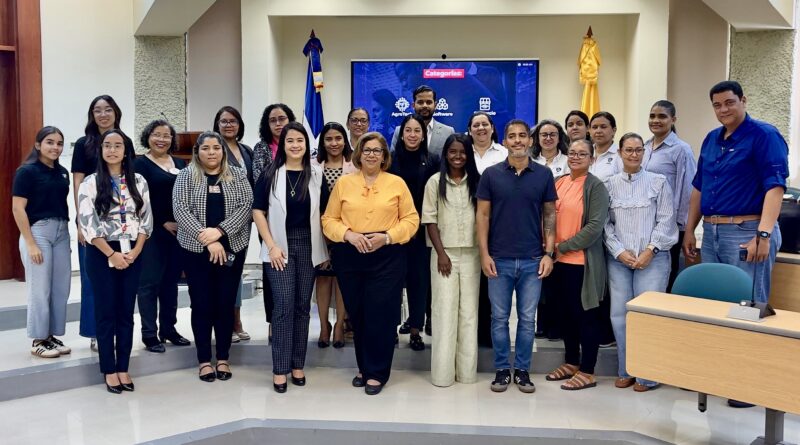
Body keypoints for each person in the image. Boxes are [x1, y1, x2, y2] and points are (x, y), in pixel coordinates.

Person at [683, 81, 788, 408]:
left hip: (748, 230)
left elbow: (775, 187)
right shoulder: (711, 139)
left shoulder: (764, 135)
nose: (723, 109)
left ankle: (749, 384)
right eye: (717, 105)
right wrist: (690, 230)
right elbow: (699, 188)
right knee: (717, 306)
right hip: (713, 231)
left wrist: (764, 234)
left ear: (743, 100)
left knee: (750, 307)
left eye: (729, 102)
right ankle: (722, 375)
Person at [322, 132, 419, 395]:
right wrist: (349, 235)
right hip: (351, 253)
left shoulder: (396, 183)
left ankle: (377, 372)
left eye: (377, 151)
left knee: (381, 314)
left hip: (387, 254)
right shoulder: (344, 183)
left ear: (384, 156)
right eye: (367, 150)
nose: (372, 155)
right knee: (359, 314)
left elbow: (411, 220)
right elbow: (328, 220)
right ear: (359, 154)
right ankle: (364, 367)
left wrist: (386, 237)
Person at [476, 119, 556, 394]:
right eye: (512, 136)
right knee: (498, 318)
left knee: (527, 319)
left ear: (530, 141)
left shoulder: (543, 174)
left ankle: (522, 370)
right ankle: (501, 369)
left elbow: (550, 214)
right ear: (505, 141)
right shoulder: (491, 175)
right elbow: (482, 216)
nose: (518, 140)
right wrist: (484, 254)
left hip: (533, 259)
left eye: (523, 135)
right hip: (499, 259)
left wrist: (549, 253)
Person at [253, 122, 329, 393]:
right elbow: (258, 211)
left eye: (300, 140)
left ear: (307, 145)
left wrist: (325, 249)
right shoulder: (270, 174)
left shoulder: (316, 174)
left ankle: (298, 365)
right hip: (279, 247)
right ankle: (280, 368)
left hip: (308, 245)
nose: (295, 145)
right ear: (283, 145)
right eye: (290, 141)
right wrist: (271, 245)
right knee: (284, 306)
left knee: (302, 307)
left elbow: (324, 213)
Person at [173, 131, 253, 383]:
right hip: (196, 250)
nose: (211, 152)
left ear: (223, 151)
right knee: (201, 304)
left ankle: (223, 358)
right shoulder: (186, 175)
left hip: (232, 248)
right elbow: (180, 209)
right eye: (205, 148)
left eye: (216, 148)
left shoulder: (237, 175)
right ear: (197, 151)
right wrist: (207, 239)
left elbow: (246, 206)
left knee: (225, 303)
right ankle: (204, 360)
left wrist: (219, 232)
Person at [77, 129, 153, 393]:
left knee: (126, 312)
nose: (112, 150)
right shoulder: (89, 183)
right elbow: (88, 223)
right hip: (101, 252)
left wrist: (136, 250)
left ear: (126, 150)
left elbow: (146, 220)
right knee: (106, 311)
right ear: (101, 150)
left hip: (132, 251)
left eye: (117, 145)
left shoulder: (139, 181)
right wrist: (111, 254)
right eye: (107, 145)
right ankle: (109, 369)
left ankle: (123, 367)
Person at [604, 132, 677, 393]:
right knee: (620, 316)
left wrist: (650, 249)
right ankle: (626, 370)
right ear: (620, 153)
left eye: (638, 150)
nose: (634, 154)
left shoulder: (658, 182)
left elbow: (666, 220)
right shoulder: (609, 185)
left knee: (647, 316)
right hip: (619, 259)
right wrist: (618, 251)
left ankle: (647, 375)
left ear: (644, 153)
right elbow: (605, 224)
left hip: (653, 258)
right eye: (628, 150)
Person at [544, 139, 609, 390]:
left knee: (586, 317)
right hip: (556, 262)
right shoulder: (558, 182)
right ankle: (571, 362)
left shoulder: (596, 187)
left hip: (581, 263)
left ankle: (588, 370)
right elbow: (546, 215)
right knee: (565, 315)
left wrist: (562, 247)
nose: (576, 157)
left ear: (592, 159)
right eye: (572, 153)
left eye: (582, 154)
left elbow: (594, 228)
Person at [422, 133, 481, 387]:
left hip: (472, 254)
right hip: (443, 255)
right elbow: (430, 220)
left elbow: (484, 218)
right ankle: (442, 375)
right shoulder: (435, 182)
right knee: (444, 313)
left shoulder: (477, 182)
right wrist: (442, 253)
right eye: (453, 151)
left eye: (463, 152)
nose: (458, 156)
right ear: (445, 154)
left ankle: (467, 374)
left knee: (469, 314)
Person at [71, 95, 127, 352]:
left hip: (121, 223)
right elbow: (78, 183)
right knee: (93, 280)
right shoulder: (84, 144)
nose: (103, 114)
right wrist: (81, 223)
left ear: (116, 112)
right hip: (92, 221)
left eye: (108, 109)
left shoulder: (124, 141)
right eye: (97, 110)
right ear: (92, 115)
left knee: (120, 280)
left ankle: (117, 330)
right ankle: (96, 332)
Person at [12, 127, 71, 358]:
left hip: (62, 232)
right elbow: (18, 208)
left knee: (60, 288)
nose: (55, 147)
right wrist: (30, 243)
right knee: (40, 288)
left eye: (59, 143)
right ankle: (38, 339)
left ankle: (51, 335)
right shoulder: (27, 172)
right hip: (38, 232)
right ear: (38, 145)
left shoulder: (62, 172)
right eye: (49, 142)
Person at [134, 120, 190, 353]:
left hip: (179, 232)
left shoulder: (180, 163)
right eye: (156, 135)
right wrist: (161, 221)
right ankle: (149, 334)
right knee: (149, 283)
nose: (162, 139)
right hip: (151, 232)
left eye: (166, 135)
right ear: (148, 137)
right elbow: (138, 199)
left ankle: (169, 329)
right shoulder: (139, 164)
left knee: (170, 283)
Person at [390, 114, 441, 350]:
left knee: (419, 283)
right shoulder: (389, 160)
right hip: (392, 230)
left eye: (417, 131)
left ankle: (415, 331)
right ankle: (390, 328)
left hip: (421, 230)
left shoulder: (432, 160)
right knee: (391, 282)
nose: (412, 135)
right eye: (408, 130)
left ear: (423, 135)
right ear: (401, 134)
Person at [252, 103, 296, 342]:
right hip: (269, 220)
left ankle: (292, 320)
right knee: (273, 272)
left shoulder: (299, 144)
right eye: (273, 120)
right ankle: (273, 322)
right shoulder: (261, 149)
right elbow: (261, 181)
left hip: (298, 222)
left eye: (282, 118)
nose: (278, 123)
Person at [642, 100, 697, 292]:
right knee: (646, 276)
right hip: (645, 223)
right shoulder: (645, 147)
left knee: (665, 278)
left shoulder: (681, 149)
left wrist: (684, 228)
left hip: (670, 226)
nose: (655, 120)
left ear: (673, 120)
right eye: (652, 116)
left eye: (662, 116)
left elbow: (688, 190)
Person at [213, 106, 255, 343]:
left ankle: (236, 320)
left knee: (236, 272)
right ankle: (224, 323)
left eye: (233, 121)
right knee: (221, 273)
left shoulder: (246, 150)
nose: (229, 125)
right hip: (219, 222)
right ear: (217, 125)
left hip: (243, 221)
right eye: (224, 121)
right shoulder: (213, 148)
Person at [466, 111, 507, 349]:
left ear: (492, 128)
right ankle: (470, 334)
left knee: (491, 281)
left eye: (485, 124)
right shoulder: (463, 153)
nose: (480, 128)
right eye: (476, 125)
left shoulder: (503, 154)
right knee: (471, 283)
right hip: (465, 224)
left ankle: (488, 334)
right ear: (469, 130)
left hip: (498, 224)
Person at [315, 122, 357, 348]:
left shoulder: (354, 165)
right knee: (322, 278)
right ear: (323, 142)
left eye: (338, 138)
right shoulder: (313, 165)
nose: (334, 143)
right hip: (318, 232)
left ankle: (340, 324)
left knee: (342, 279)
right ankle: (324, 326)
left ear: (345, 140)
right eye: (329, 139)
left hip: (346, 232)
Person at [390, 85, 455, 156]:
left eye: (429, 102)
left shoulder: (448, 132)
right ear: (413, 105)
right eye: (420, 102)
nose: (424, 106)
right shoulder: (399, 131)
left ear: (435, 105)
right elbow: (393, 159)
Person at [588, 111, 622, 181]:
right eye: (594, 127)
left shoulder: (621, 155)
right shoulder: (585, 152)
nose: (598, 131)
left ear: (614, 130)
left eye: (603, 127)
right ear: (590, 131)